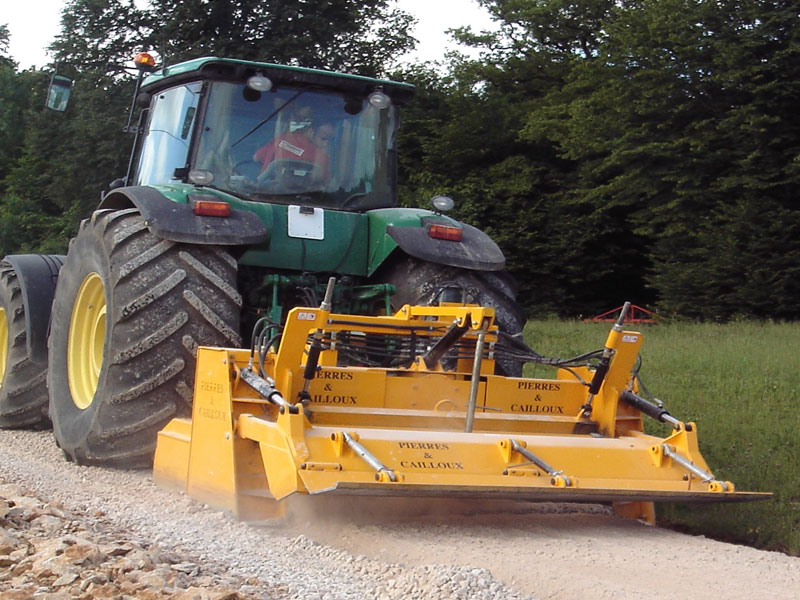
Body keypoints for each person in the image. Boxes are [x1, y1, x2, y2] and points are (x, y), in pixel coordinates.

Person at [253, 105, 332, 182]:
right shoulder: (321, 157)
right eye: (323, 138)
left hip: (265, 190)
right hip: (301, 194)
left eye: (330, 140)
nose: (326, 143)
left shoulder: (282, 139)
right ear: (311, 131)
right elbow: (322, 183)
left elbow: (256, 157)